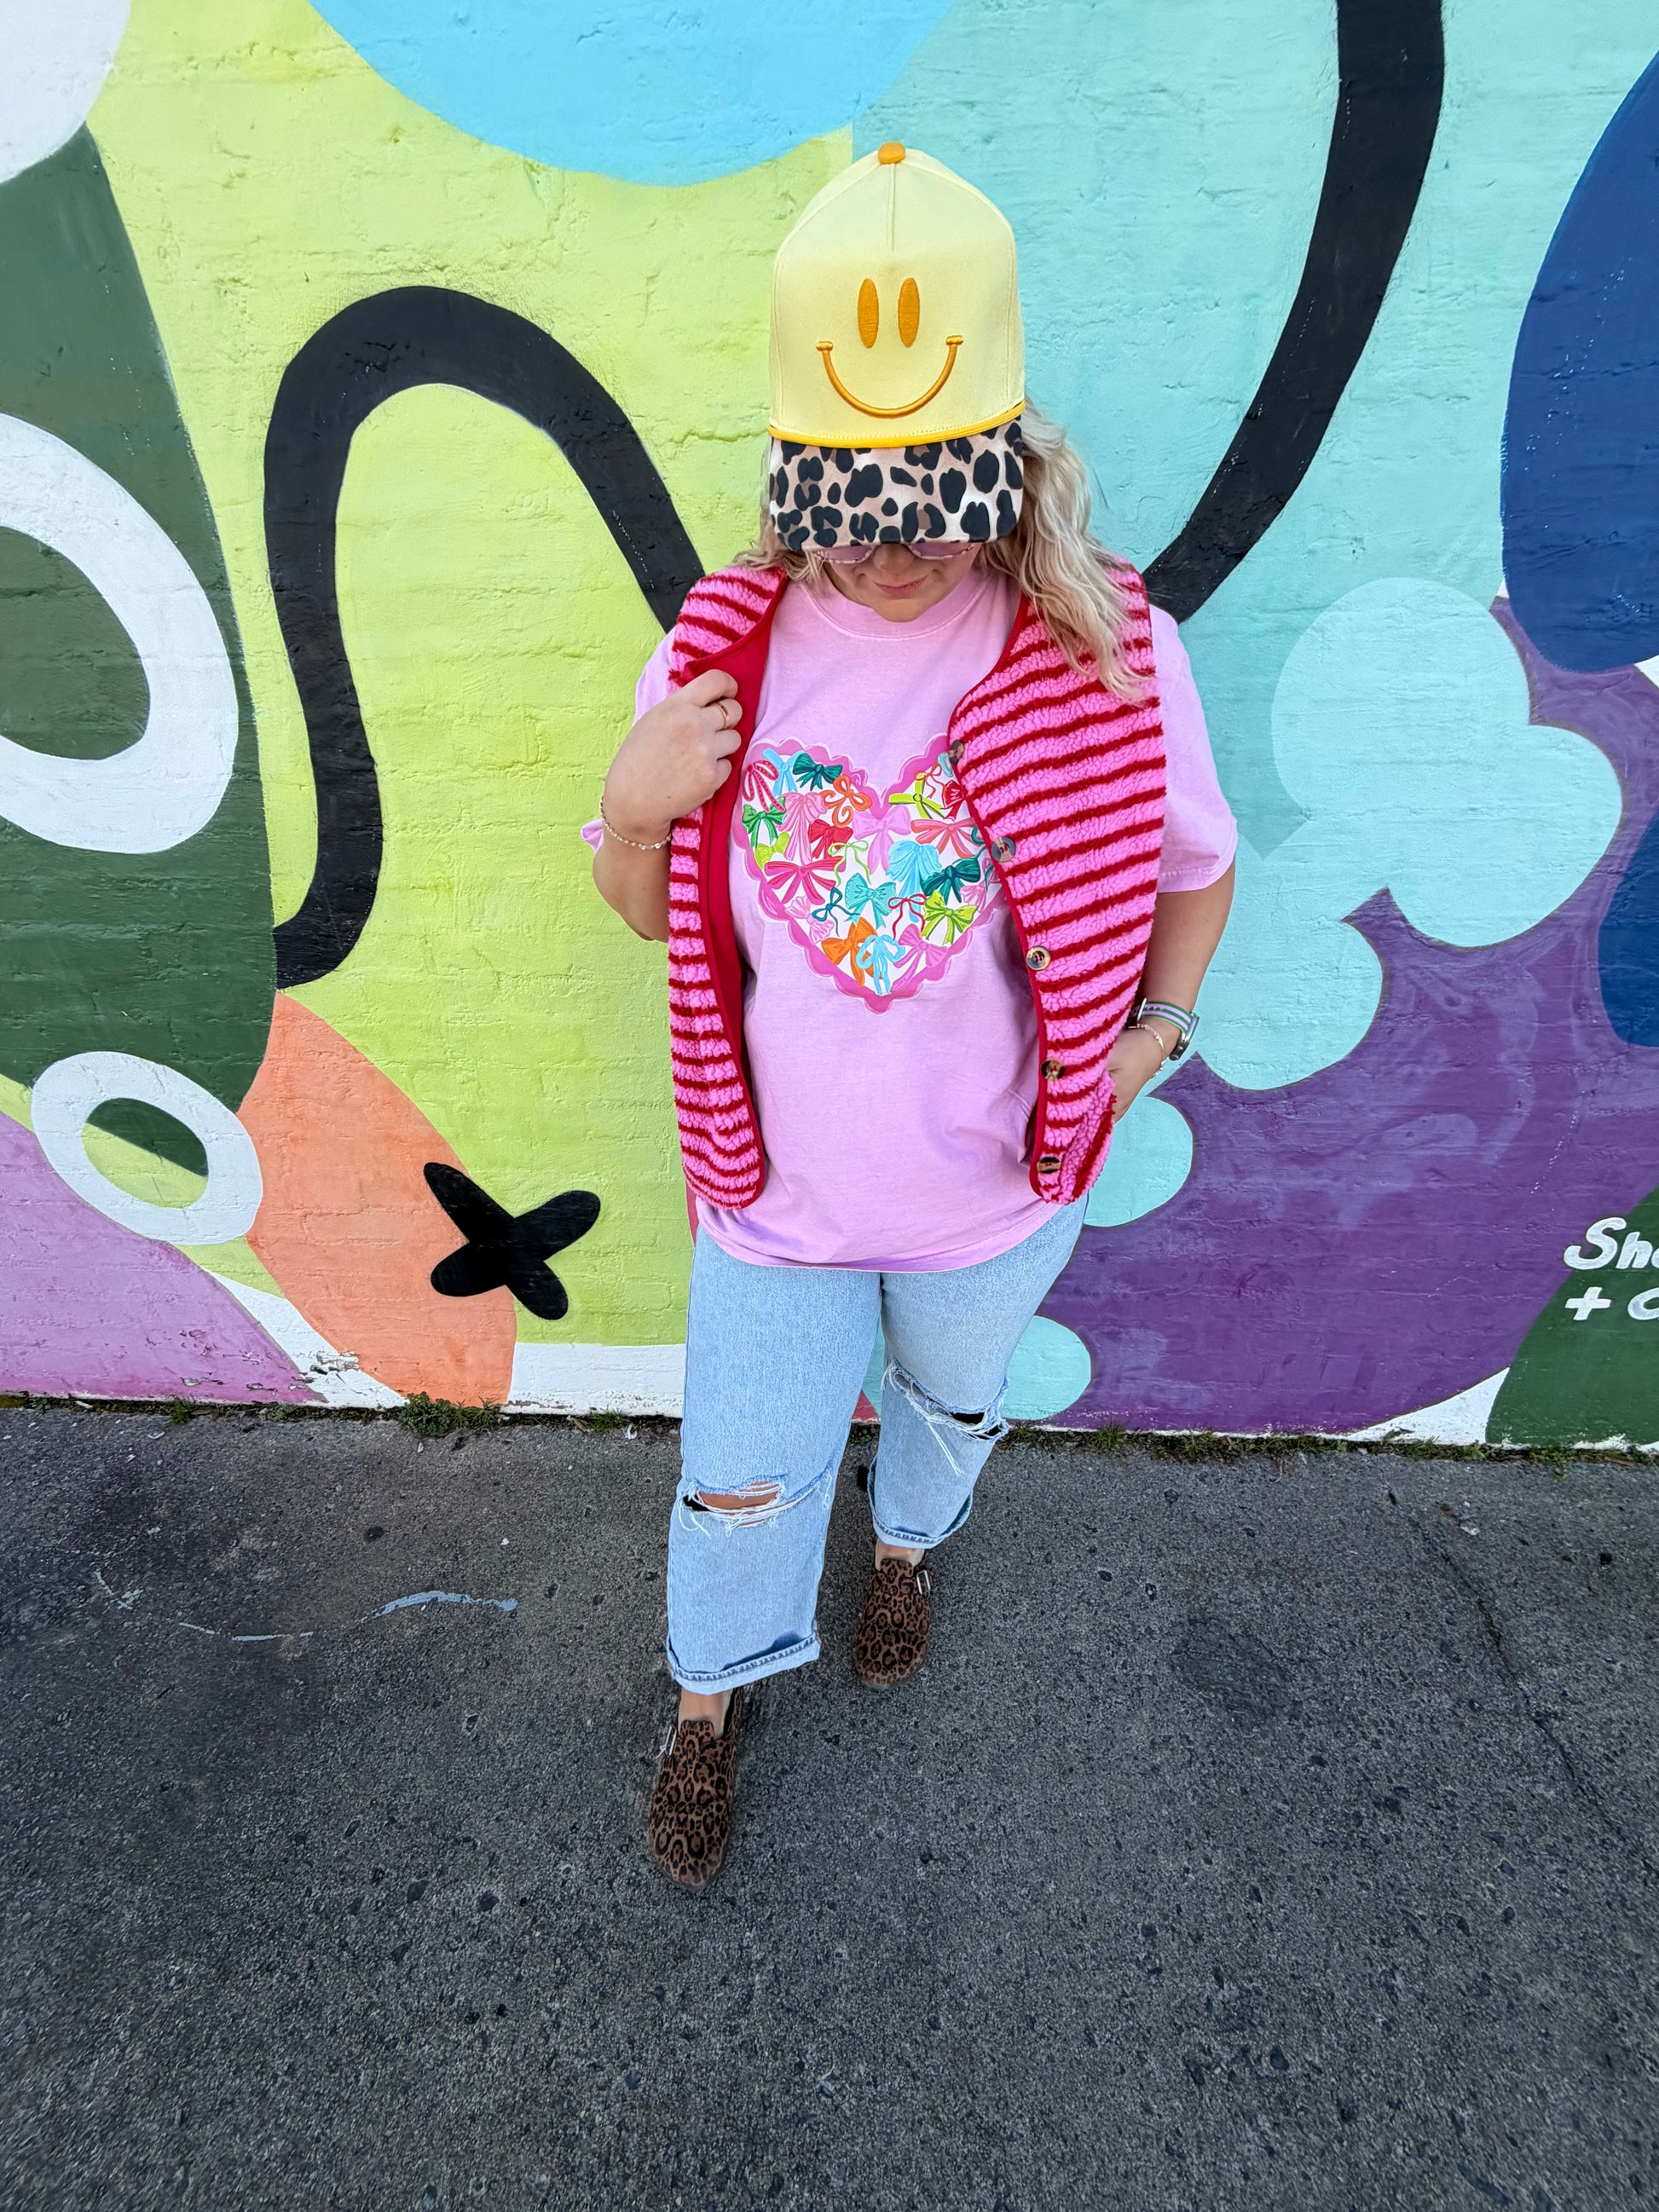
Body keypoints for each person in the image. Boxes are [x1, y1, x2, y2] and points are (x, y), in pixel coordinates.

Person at [592, 143, 1236, 1889]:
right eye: (854, 508)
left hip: (997, 1193)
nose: (897, 551)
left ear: (1004, 467)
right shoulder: (723, 653)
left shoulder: (1098, 651)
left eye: (938, 500)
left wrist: (1152, 1037)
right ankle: (708, 1702)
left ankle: (904, 1553)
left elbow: (1197, 863)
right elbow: (652, 917)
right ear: (798, 484)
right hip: (777, 1205)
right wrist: (635, 804)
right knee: (739, 1474)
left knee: (950, 1406)